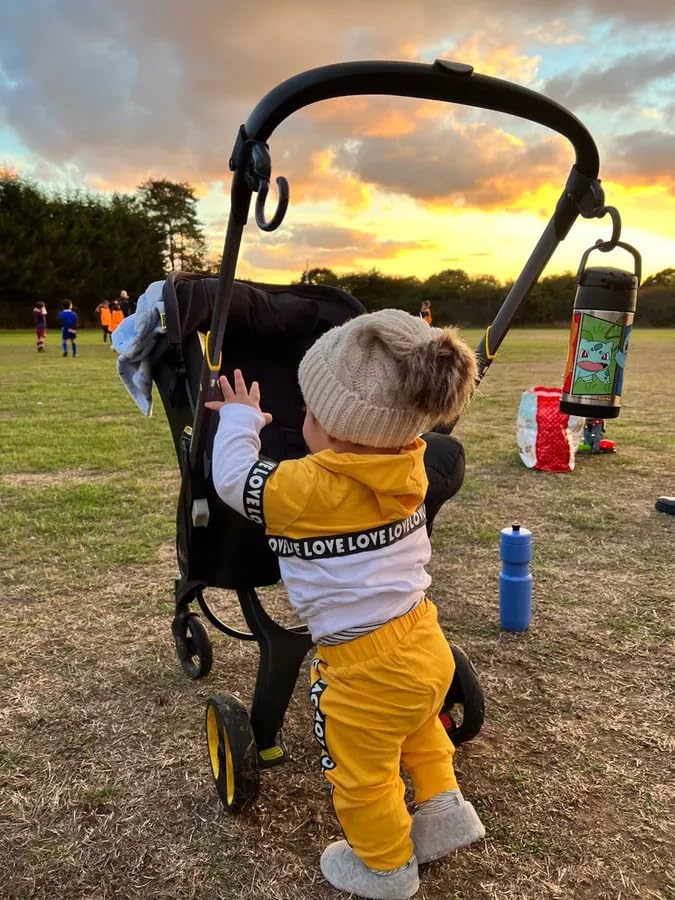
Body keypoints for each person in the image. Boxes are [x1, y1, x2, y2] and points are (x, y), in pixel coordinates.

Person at [206, 310, 484, 900]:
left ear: (332, 430)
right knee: (418, 728)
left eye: (309, 413)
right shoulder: (411, 462)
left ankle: (384, 866)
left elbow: (232, 479)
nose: (303, 419)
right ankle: (445, 812)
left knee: (362, 773)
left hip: (363, 666)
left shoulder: (302, 489)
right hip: (426, 641)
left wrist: (239, 419)